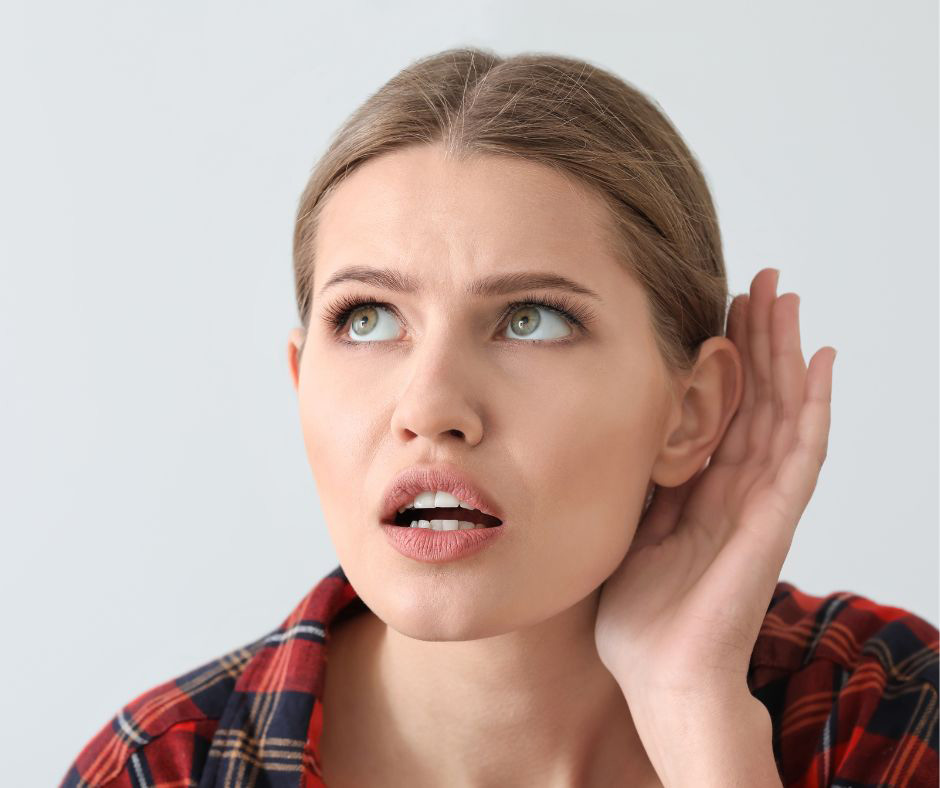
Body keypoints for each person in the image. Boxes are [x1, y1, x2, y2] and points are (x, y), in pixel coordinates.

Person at [61, 47, 938, 787]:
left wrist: (699, 721)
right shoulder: (161, 766)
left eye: (532, 319)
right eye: (366, 319)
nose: (431, 407)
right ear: (302, 383)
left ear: (690, 411)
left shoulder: (888, 709)